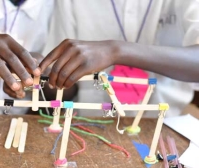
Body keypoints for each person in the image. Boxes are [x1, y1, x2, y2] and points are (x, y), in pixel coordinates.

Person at [41, 0, 199, 117]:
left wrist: (116, 51)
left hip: (168, 121)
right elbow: (64, 88)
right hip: (91, 122)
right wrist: (44, 74)